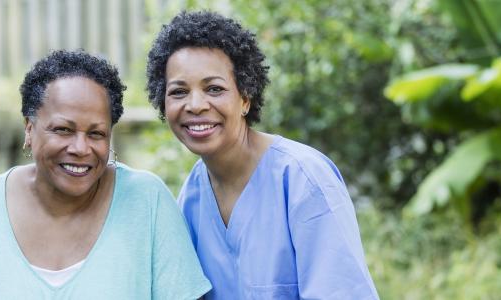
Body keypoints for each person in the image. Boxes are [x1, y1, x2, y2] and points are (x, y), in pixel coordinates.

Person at [0, 50, 211, 299]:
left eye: (96, 133)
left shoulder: (146, 201)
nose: (81, 148)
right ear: (29, 129)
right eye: (63, 130)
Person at [145, 11, 378, 299]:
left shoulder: (302, 178)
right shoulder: (192, 196)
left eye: (214, 89)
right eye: (178, 92)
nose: (195, 105)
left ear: (245, 98)